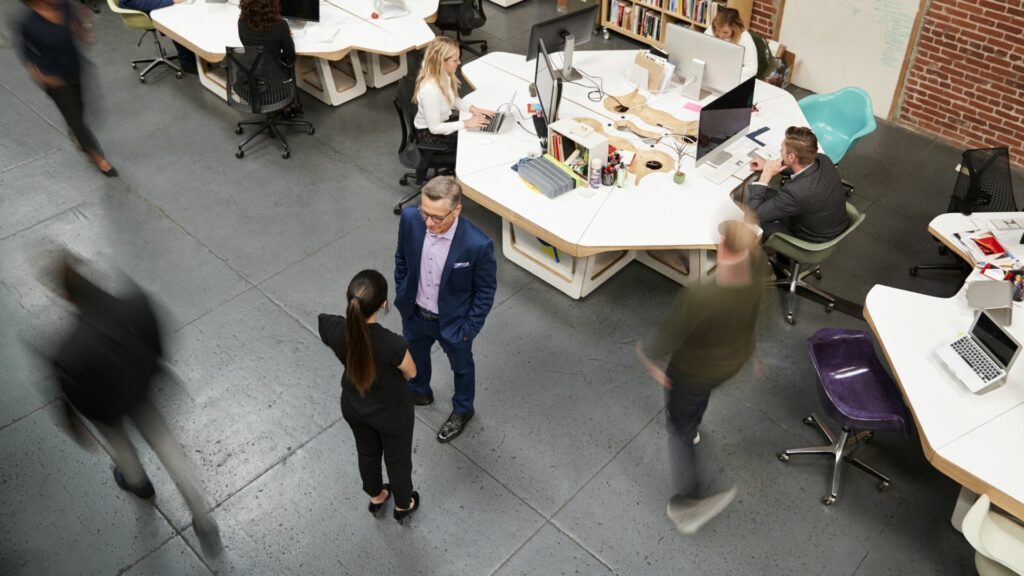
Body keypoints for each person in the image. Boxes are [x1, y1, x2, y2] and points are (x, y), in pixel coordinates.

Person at [40, 249, 220, 554]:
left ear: (65, 295)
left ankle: (139, 485)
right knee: (169, 450)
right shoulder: (135, 304)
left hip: (108, 412)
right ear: (89, 274)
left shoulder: (65, 352)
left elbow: (75, 399)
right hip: (143, 394)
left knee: (123, 452)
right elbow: (159, 347)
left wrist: (84, 424)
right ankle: (203, 520)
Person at [636, 220, 766, 535]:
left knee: (678, 426)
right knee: (699, 399)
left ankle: (692, 503)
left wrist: (648, 356)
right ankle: (694, 424)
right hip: (731, 361)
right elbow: (759, 317)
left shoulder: (704, 295)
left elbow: (670, 336)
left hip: (693, 371)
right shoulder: (758, 278)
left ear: (723, 247)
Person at [394, 176, 497, 443]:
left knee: (462, 368)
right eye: (425, 213)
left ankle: (463, 409)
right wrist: (402, 291)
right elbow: (402, 259)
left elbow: (485, 291)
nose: (428, 223)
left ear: (457, 210)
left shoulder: (477, 245)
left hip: (453, 323)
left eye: (437, 218)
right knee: (416, 356)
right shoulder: (410, 220)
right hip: (415, 313)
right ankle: (419, 392)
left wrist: (469, 329)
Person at [318, 270, 421, 524]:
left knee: (367, 452)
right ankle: (403, 504)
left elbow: (323, 321)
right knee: (397, 460)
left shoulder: (336, 330)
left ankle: (376, 496)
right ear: (384, 303)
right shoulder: (393, 344)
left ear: (350, 299)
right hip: (392, 414)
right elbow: (412, 373)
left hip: (354, 407)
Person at [17, 0, 116, 177]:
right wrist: (41, 75)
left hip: (74, 67)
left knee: (79, 108)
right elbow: (27, 54)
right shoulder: (29, 24)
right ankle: (98, 157)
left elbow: (79, 29)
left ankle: (78, 133)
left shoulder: (66, 7)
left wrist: (85, 28)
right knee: (75, 118)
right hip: (55, 79)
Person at [746, 126, 849, 243]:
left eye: (781, 150)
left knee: (748, 224)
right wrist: (767, 165)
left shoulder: (795, 193)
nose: (780, 152)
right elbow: (800, 167)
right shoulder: (823, 159)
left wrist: (765, 176)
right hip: (830, 222)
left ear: (791, 157)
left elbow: (752, 217)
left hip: (814, 237)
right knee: (762, 194)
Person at [412, 36, 495, 151]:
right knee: (474, 141)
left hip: (441, 122)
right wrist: (466, 123)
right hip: (430, 135)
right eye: (455, 60)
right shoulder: (431, 90)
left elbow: (452, 99)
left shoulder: (444, 75)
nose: (459, 62)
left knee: (478, 128)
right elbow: (434, 128)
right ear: (441, 62)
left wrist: (472, 108)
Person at [118, 0, 197, 73]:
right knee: (177, 22)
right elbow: (142, 3)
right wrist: (171, 1)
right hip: (140, 11)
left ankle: (194, 56)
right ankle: (187, 62)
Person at [704, 7, 757, 83]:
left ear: (735, 30)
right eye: (718, 30)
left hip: (732, 79)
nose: (720, 35)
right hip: (711, 75)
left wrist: (728, 71)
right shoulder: (711, 30)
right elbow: (702, 52)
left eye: (725, 32)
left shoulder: (745, 39)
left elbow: (752, 69)